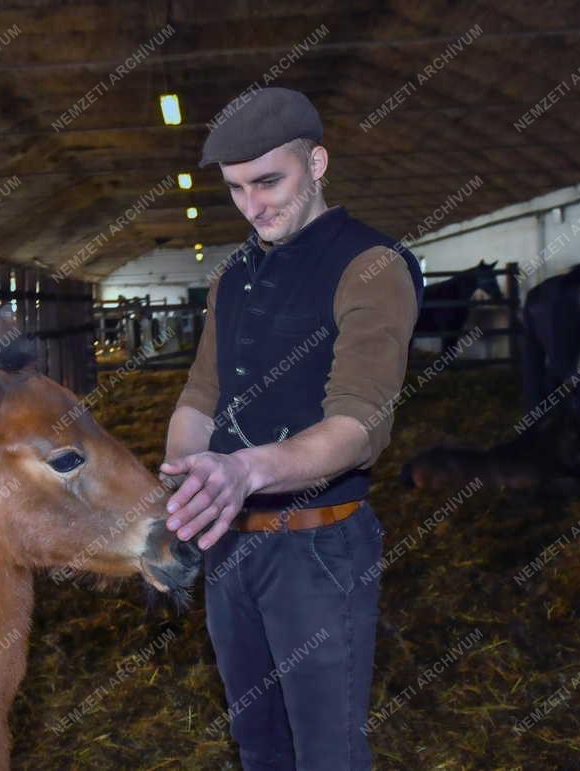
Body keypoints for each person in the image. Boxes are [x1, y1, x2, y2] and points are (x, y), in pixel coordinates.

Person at [160, 87, 424, 770]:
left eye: (269, 180)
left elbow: (358, 424)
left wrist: (243, 469)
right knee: (258, 744)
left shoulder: (370, 265)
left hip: (318, 546)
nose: (254, 205)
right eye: (237, 189)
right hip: (230, 546)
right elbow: (201, 393)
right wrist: (185, 483)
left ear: (317, 163)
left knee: (327, 752)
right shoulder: (233, 276)